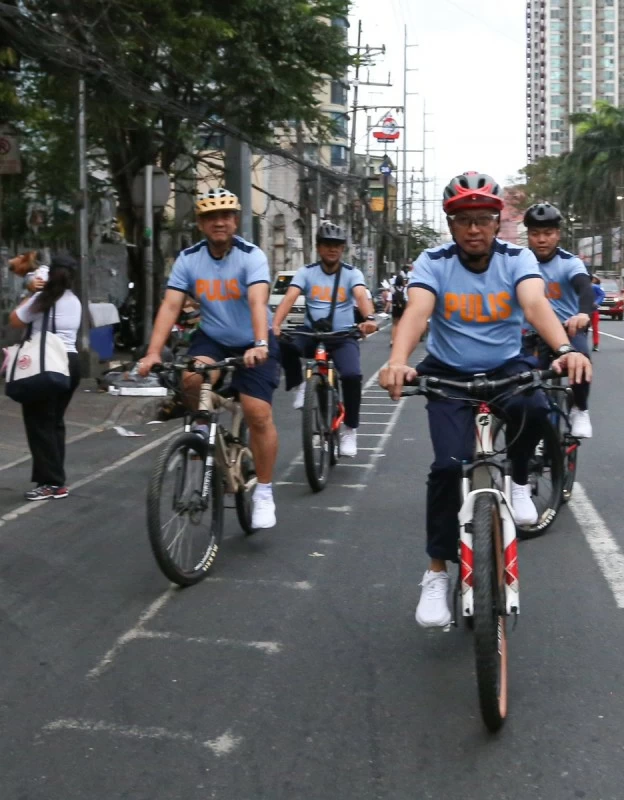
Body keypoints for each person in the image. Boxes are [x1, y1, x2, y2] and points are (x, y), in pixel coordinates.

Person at [379, 171, 591, 628]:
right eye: (462, 220)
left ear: (498, 223)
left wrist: (566, 349)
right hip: (448, 373)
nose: (473, 228)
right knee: (445, 468)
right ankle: (436, 572)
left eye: (482, 219)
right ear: (450, 225)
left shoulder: (517, 259)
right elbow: (417, 312)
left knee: (537, 405)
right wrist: (398, 359)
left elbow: (535, 306)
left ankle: (516, 482)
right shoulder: (433, 261)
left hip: (504, 365)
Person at [138, 187, 282, 530]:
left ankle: (263, 490)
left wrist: (260, 343)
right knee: (190, 378)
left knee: (257, 412)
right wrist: (153, 352)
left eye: (226, 215)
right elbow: (172, 305)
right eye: (211, 217)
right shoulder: (189, 259)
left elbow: (257, 303)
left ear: (235, 220)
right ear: (201, 223)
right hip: (214, 338)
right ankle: (201, 430)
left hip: (253, 340)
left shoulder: (251, 256)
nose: (219, 222)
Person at [272, 222, 378, 458]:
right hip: (311, 333)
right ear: (319, 248)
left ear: (343, 249)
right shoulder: (306, 272)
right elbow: (290, 298)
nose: (333, 250)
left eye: (337, 246)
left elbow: (361, 296)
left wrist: (369, 318)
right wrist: (275, 324)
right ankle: (301, 385)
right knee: (285, 344)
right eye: (328, 245)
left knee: (352, 375)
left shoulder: (352, 274)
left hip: (342, 337)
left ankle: (350, 429)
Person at [8, 255, 83, 500]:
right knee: (53, 423)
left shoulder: (43, 299)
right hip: (70, 363)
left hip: (46, 364)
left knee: (39, 424)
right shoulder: (74, 301)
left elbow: (16, 319)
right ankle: (52, 479)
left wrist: (30, 293)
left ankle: (52, 483)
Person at [522, 202, 595, 438]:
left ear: (558, 234)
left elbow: (585, 289)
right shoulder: (518, 263)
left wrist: (583, 314)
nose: (541, 239)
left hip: (567, 331)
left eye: (548, 233)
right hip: (529, 334)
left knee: (581, 358)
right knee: (518, 380)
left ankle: (580, 409)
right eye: (535, 234)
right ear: (528, 235)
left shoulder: (569, 262)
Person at [590, 275, 605, 352]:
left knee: (595, 327)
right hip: (583, 310)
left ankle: (595, 344)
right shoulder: (581, 286)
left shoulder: (595, 287)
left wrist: (596, 302)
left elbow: (602, 294)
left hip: (593, 309)